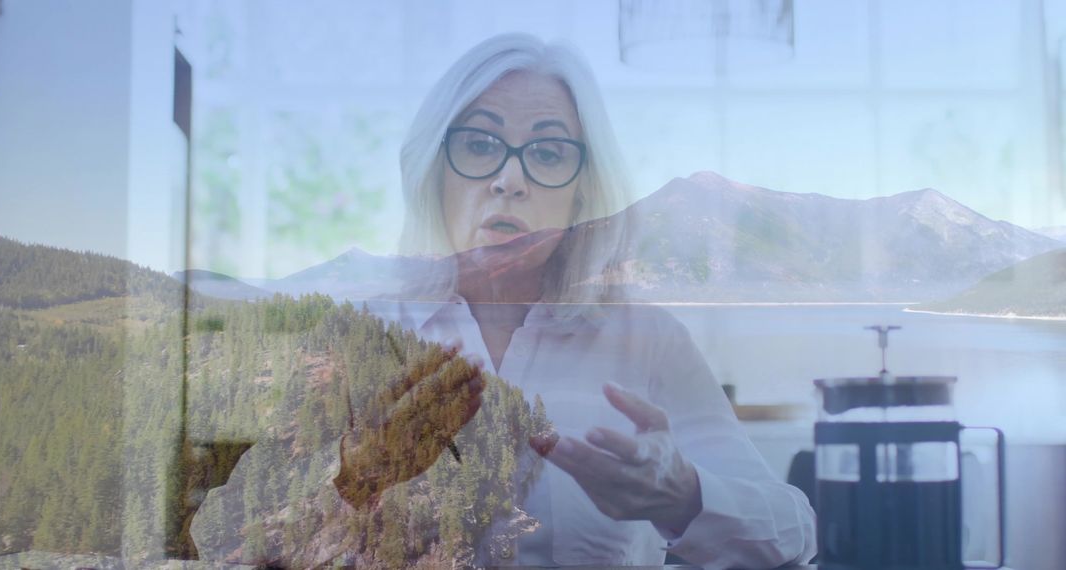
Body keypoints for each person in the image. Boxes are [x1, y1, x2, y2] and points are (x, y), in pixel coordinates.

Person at [192, 33, 816, 568]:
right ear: (435, 171)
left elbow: (793, 536)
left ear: (584, 192)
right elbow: (225, 540)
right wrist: (354, 480)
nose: (509, 179)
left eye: (547, 153)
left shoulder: (644, 341)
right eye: (480, 143)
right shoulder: (357, 336)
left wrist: (682, 496)